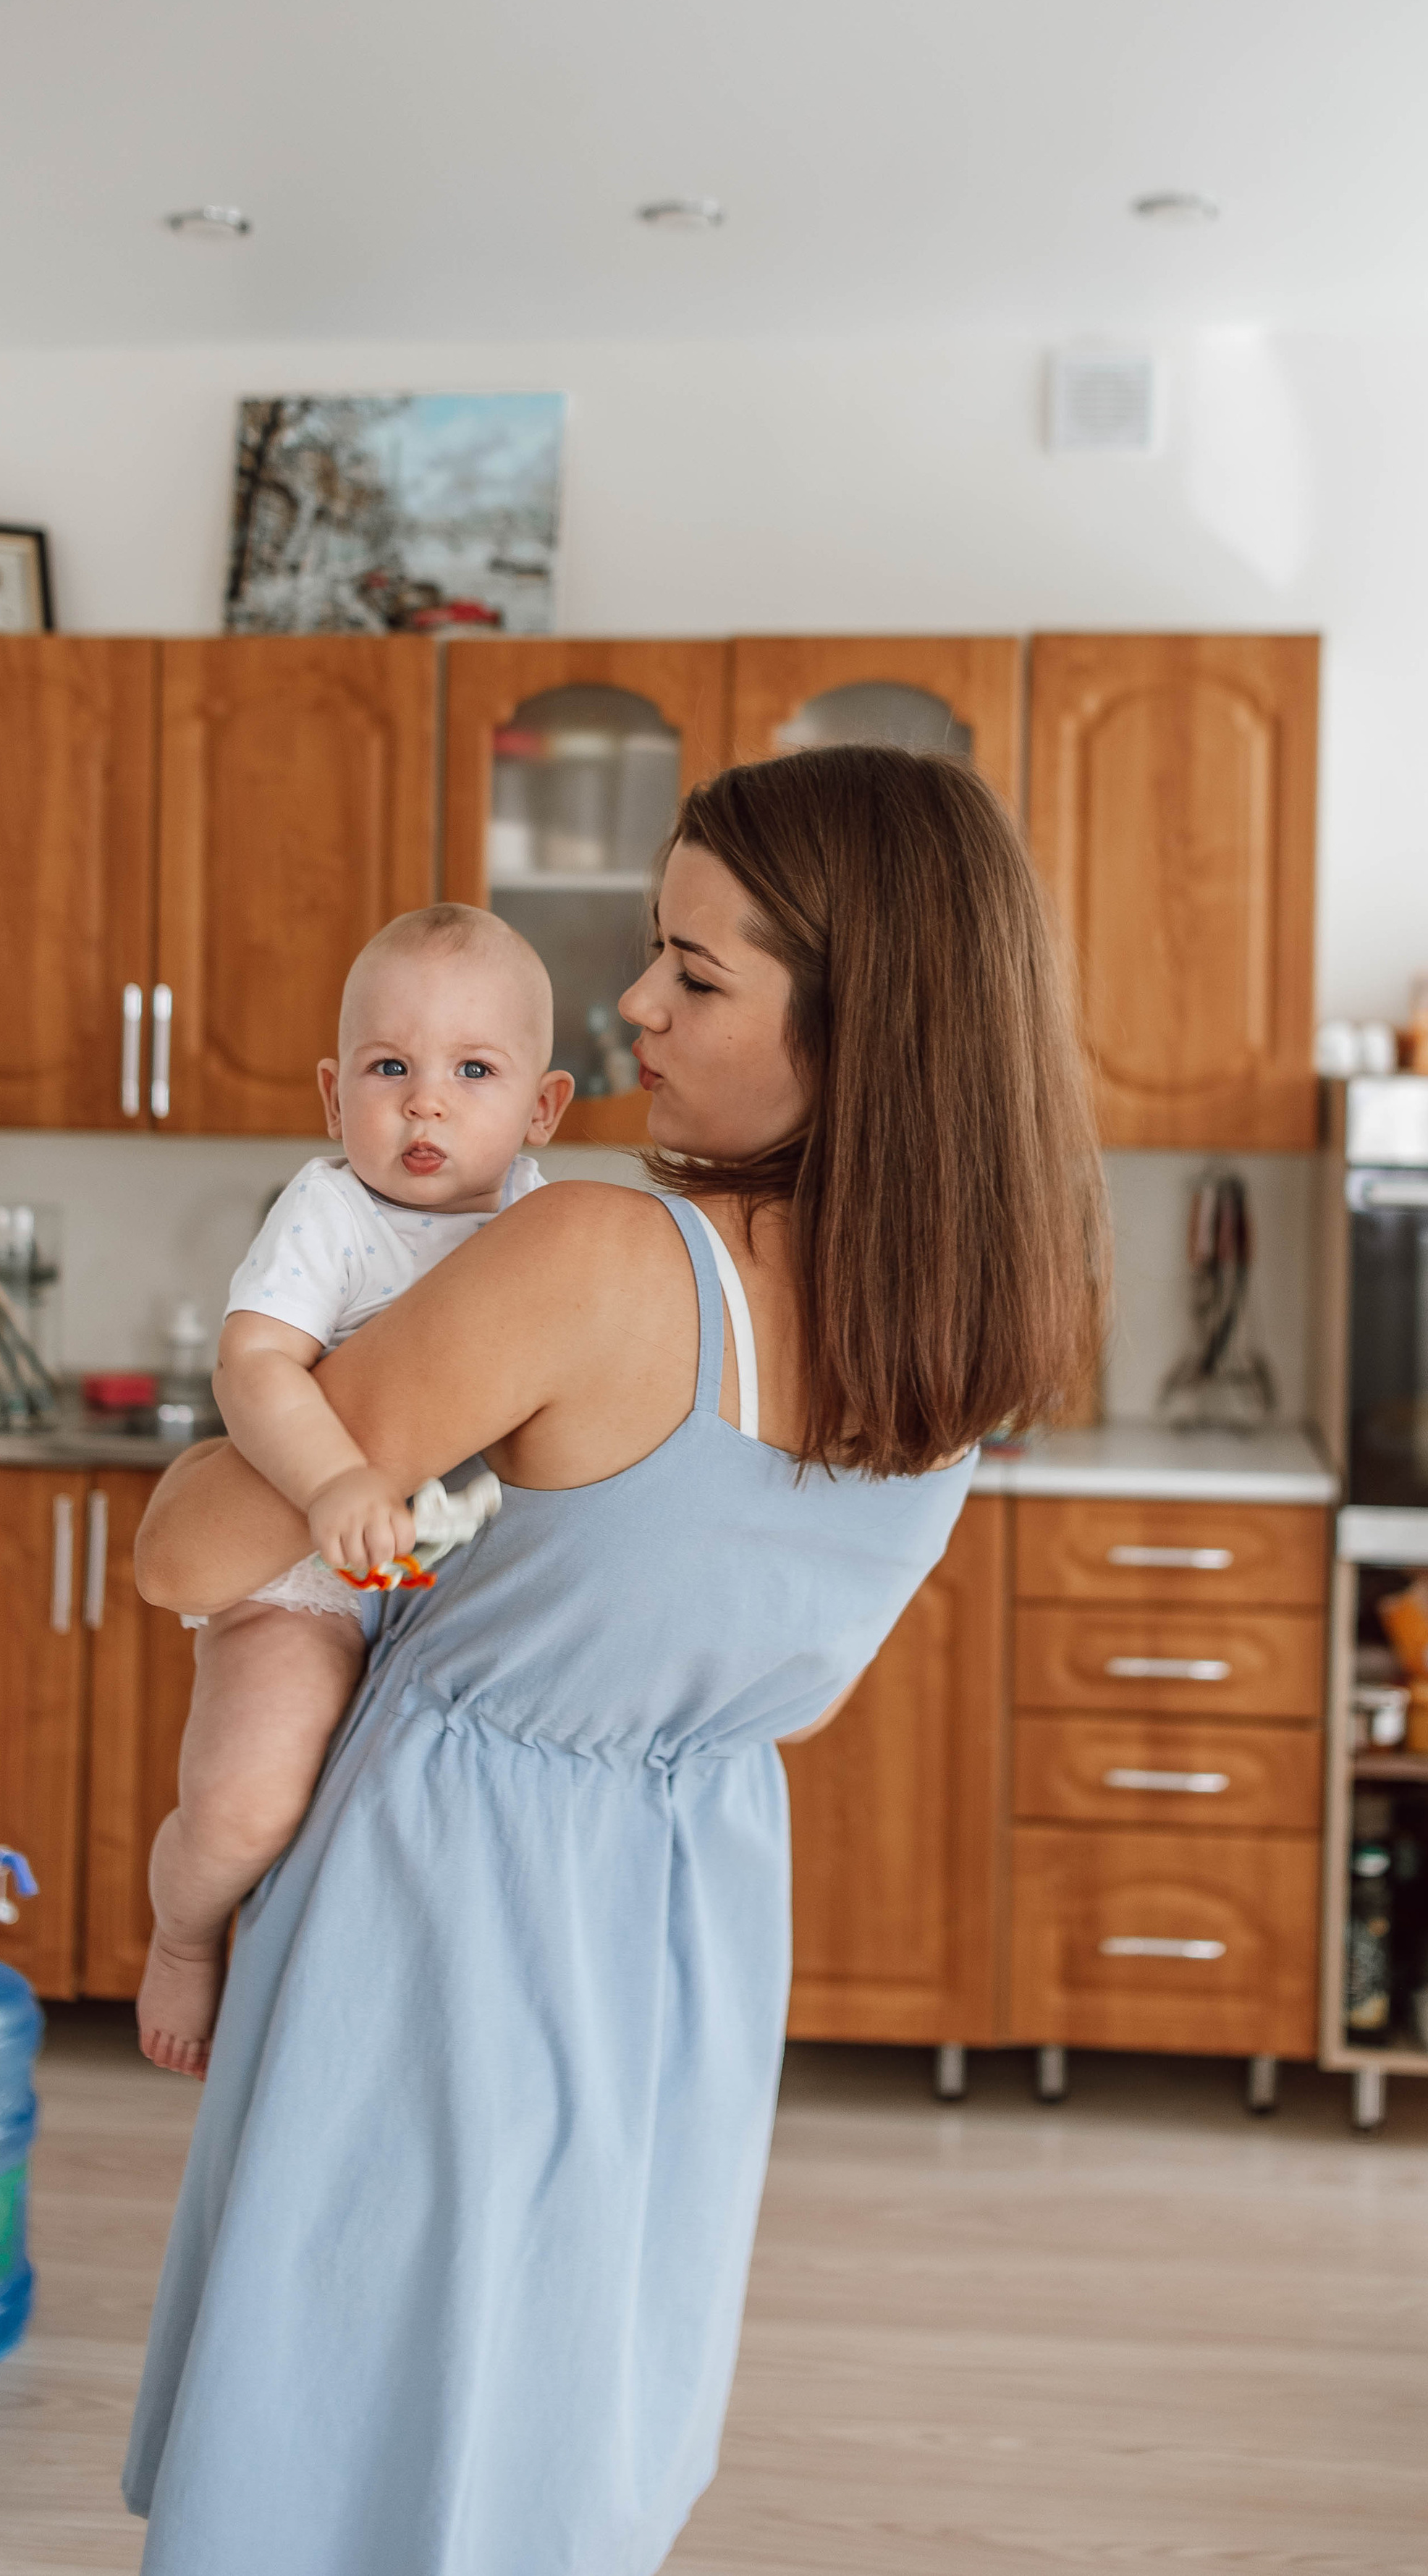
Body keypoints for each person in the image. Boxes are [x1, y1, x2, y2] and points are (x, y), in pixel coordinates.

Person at [122, 745, 1105, 2576]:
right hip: (685, 1917)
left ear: (859, 1025)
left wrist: (270, 1416)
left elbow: (185, 1550)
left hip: (441, 1898)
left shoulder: (591, 1253)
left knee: (333, 2418)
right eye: (653, 950)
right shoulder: (965, 1331)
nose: (633, 1002)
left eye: (697, 974)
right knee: (553, 2412)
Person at [137, 904, 573, 2077]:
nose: (425, 1102)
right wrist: (331, 1479)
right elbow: (256, 1362)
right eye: (391, 1068)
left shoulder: (549, 1228)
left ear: (543, 1109)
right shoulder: (328, 1213)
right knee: (246, 1804)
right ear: (335, 1099)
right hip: (304, 1581)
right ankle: (182, 1930)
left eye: (472, 1071)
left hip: (460, 1583)